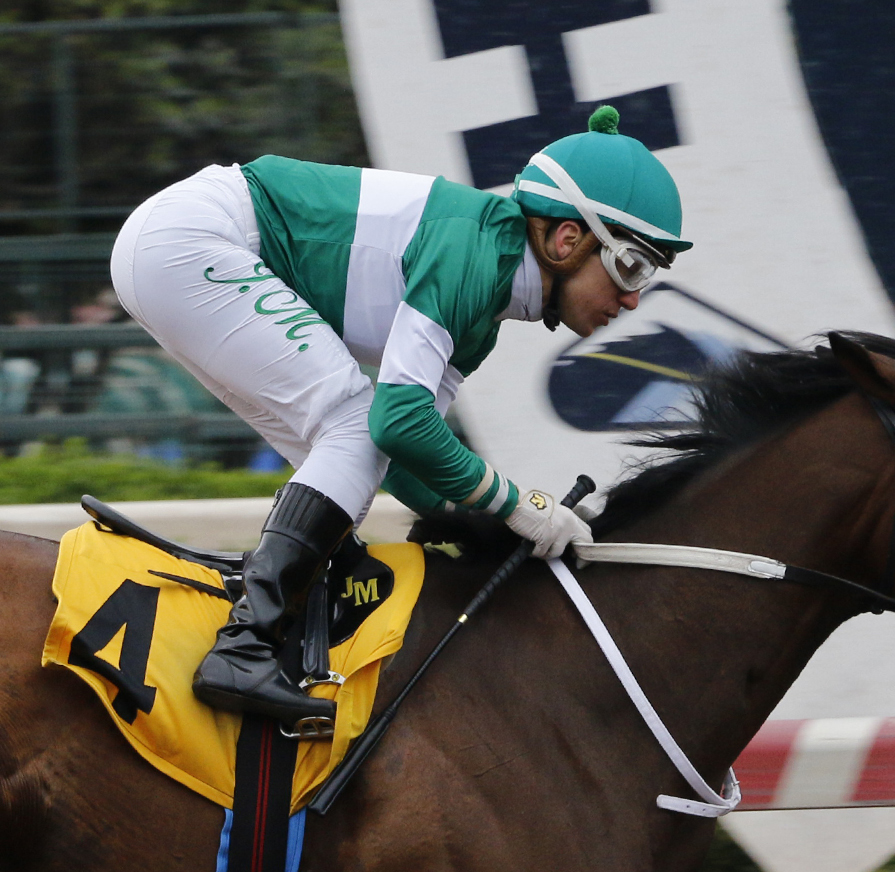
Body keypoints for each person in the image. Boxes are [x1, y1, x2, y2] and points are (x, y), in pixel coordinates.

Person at [110, 108, 681, 730]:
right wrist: (520, 505)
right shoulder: (470, 256)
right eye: (631, 266)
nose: (633, 299)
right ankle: (245, 647)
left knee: (350, 445)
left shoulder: (483, 311)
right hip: (195, 239)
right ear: (567, 240)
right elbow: (398, 423)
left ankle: (284, 626)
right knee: (355, 423)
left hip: (179, 245)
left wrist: (494, 526)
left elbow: (406, 459)